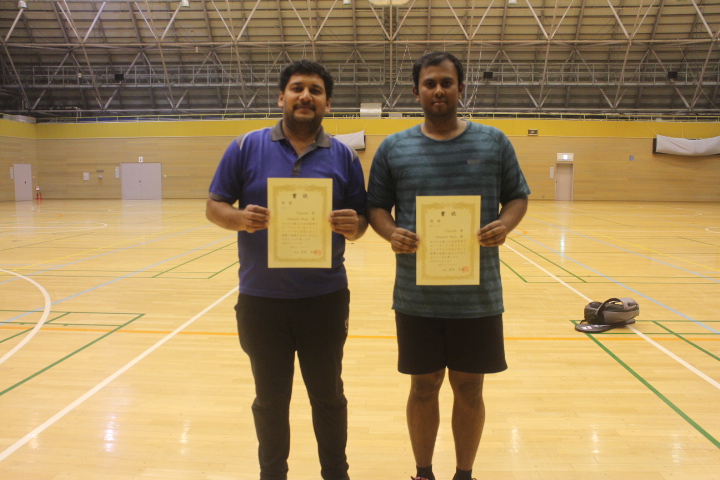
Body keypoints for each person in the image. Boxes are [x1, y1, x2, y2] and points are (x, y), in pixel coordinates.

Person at [366, 51, 530, 480]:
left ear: (461, 88)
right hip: (416, 296)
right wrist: (391, 232)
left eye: (446, 82)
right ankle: (423, 473)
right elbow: (376, 206)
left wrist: (505, 224)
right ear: (416, 91)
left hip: (477, 296)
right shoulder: (394, 147)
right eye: (430, 83)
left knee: (470, 389)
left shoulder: (494, 142)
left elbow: (517, 196)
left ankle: (463, 474)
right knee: (423, 387)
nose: (438, 90)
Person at [206, 59, 367, 480]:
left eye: (315, 90)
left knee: (328, 397)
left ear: (327, 103)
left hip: (324, 299)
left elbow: (362, 221)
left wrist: (354, 225)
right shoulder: (245, 147)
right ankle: (272, 474)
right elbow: (214, 206)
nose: (305, 96)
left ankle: (336, 473)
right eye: (297, 88)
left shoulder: (345, 156)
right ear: (281, 97)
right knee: (270, 400)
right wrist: (240, 219)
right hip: (262, 300)